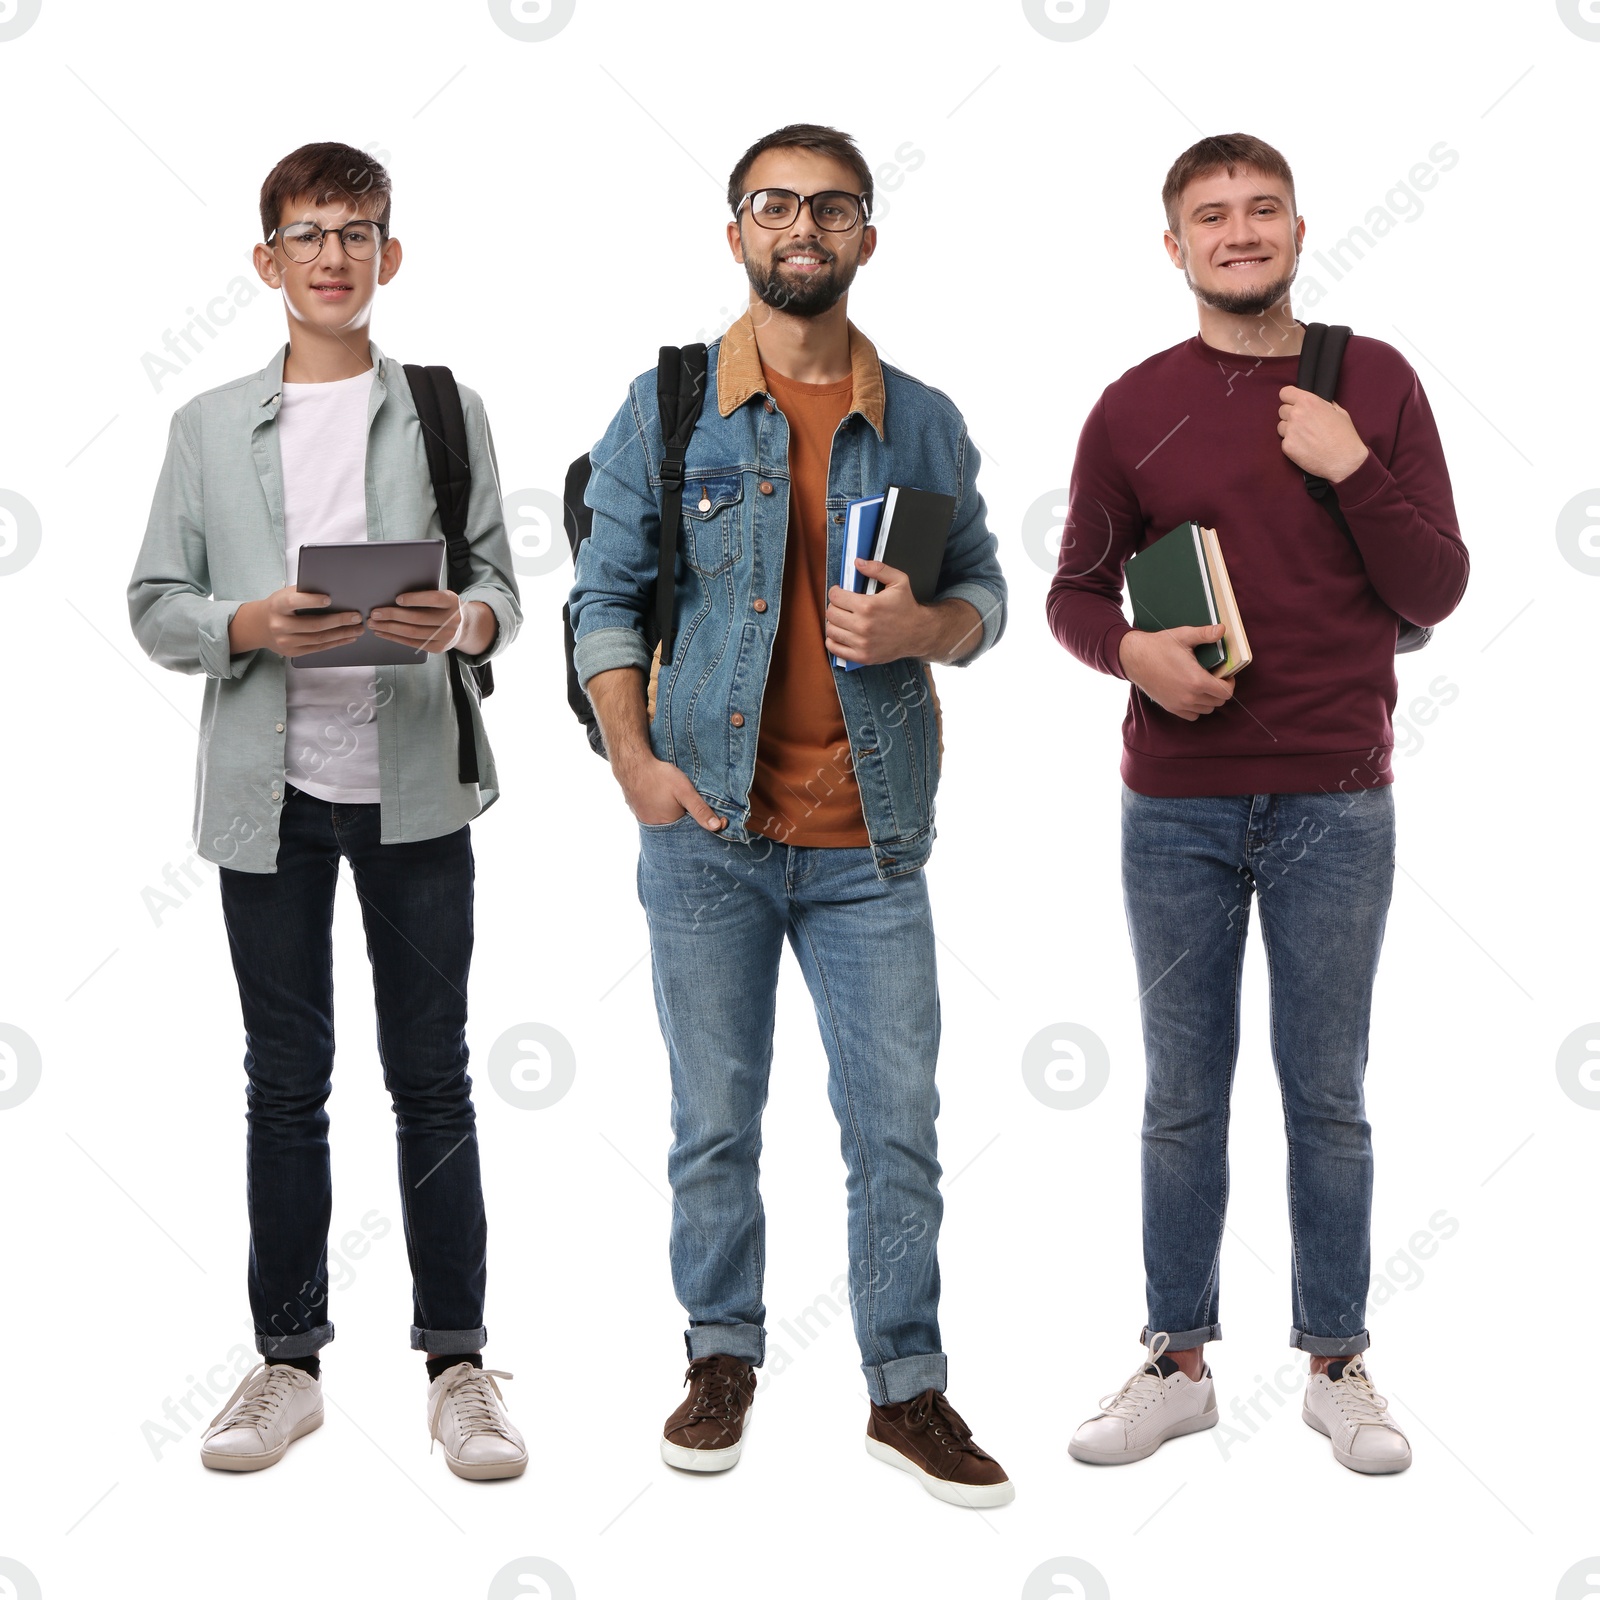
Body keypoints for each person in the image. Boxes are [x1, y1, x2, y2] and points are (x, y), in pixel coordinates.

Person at [569, 124, 1012, 1508]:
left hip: (872, 842)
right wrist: (633, 765)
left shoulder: (924, 419)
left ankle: (906, 1386)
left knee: (897, 1125)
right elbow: (602, 600)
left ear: (867, 237)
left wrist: (929, 623)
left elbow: (984, 595)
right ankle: (721, 1359)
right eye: (774, 205)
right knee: (715, 1120)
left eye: (829, 208)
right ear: (737, 232)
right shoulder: (669, 405)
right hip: (703, 830)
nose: (800, 227)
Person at [1047, 132, 1468, 1476]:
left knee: (1326, 1092)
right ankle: (1176, 1359)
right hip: (1173, 804)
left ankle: (1337, 1361)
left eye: (1261, 210)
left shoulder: (1374, 384)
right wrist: (1134, 655)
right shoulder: (1130, 405)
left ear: (1297, 228)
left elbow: (1437, 589)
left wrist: (1353, 465)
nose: (1239, 233)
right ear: (1174, 248)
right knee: (1181, 1092)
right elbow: (1073, 593)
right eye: (1210, 216)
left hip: (1339, 798)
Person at [128, 141, 527, 1480]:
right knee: (284, 1083)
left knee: (435, 1079)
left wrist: (462, 618)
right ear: (268, 262)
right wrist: (242, 620)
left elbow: (501, 593)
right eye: (308, 233)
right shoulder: (204, 427)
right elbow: (151, 605)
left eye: (358, 232)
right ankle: (286, 1363)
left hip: (417, 791)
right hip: (271, 803)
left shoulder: (442, 407)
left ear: (389, 256)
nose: (334, 255)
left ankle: (459, 1363)